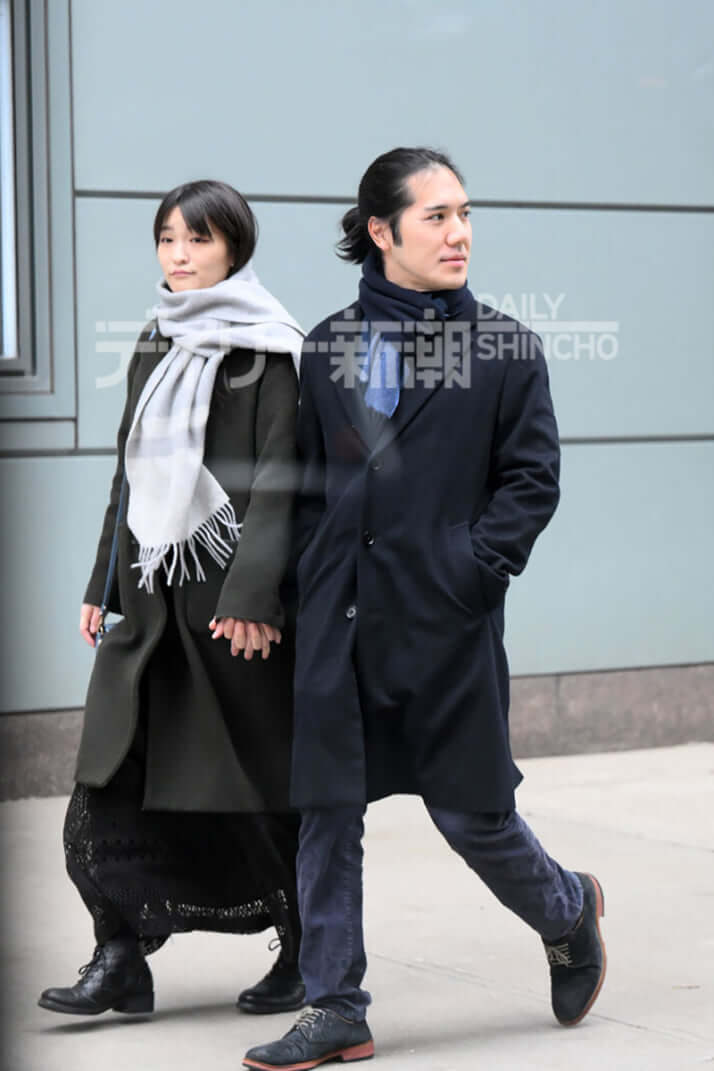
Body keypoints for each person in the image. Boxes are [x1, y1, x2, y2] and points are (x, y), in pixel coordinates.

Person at [243, 148, 606, 1069]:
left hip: (443, 621)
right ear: (381, 230)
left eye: (465, 214)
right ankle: (336, 1005)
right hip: (340, 619)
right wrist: (294, 588)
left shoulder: (506, 349)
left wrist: (470, 573)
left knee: (471, 815)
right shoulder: (328, 346)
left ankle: (568, 910)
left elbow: (531, 482)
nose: (459, 233)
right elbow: (304, 480)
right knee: (327, 813)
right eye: (437, 216)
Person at [38, 180, 306, 1019]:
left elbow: (280, 480)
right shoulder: (155, 340)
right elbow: (130, 470)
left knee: (251, 790)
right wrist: (102, 582)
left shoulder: (271, 347)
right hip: (152, 602)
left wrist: (255, 595)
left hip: (229, 617)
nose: (178, 255)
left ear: (235, 246)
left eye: (197, 239)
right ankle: (120, 953)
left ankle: (303, 948)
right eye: (167, 239)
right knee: (109, 778)